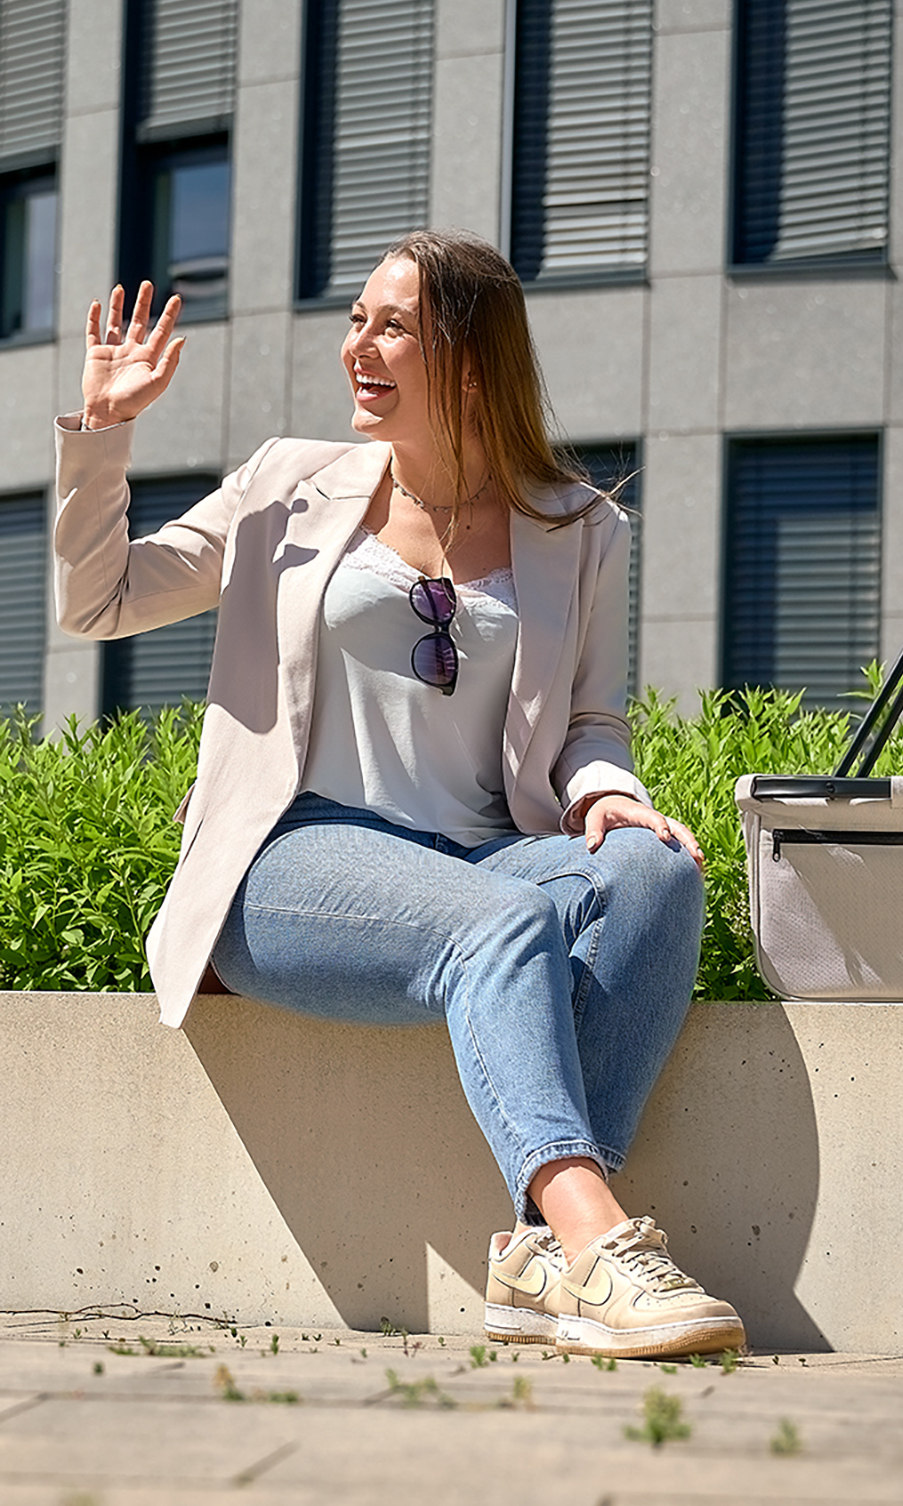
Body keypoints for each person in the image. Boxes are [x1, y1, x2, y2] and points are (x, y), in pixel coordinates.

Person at [53, 229, 744, 1361]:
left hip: (479, 855)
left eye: (391, 327)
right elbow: (101, 599)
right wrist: (106, 430)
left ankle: (541, 1257)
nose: (356, 348)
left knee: (656, 872)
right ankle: (598, 1241)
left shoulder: (580, 529)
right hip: (290, 860)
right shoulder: (287, 486)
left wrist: (606, 792)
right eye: (357, 320)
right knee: (507, 920)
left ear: (470, 360)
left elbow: (588, 722)